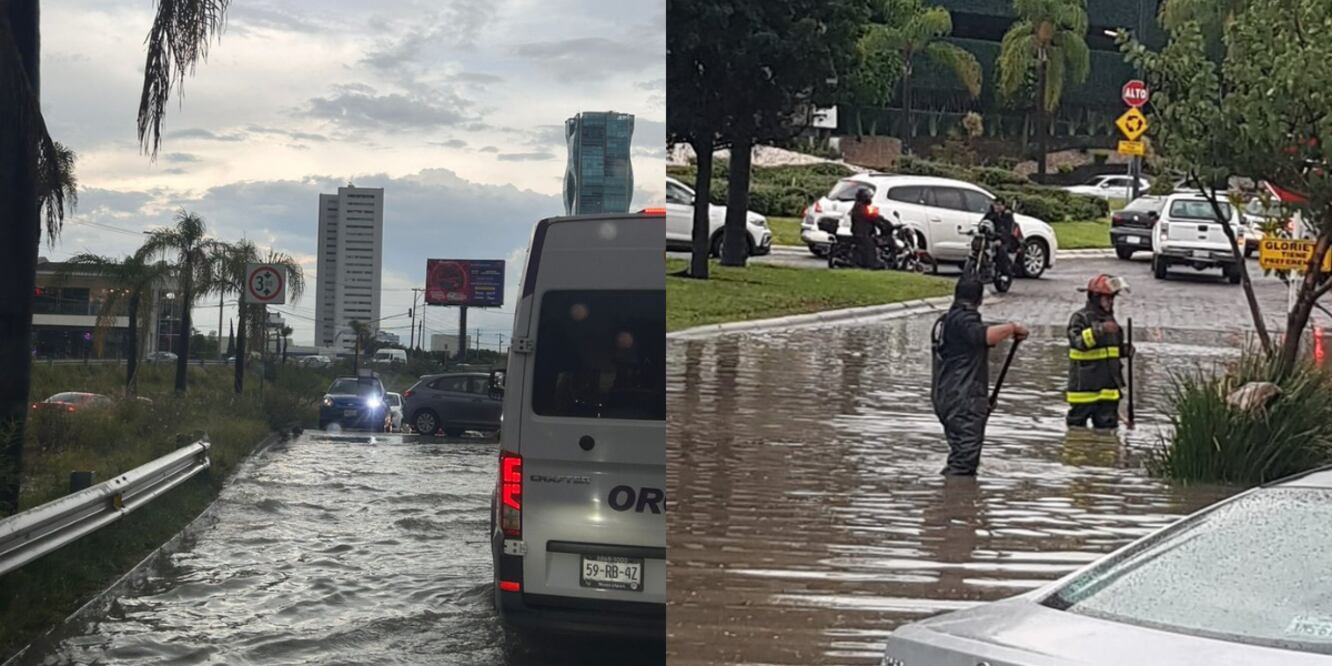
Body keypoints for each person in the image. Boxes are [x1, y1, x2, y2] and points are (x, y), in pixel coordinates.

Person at [931, 278, 1029, 476]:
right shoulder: (964, 320)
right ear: (980, 299)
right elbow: (984, 336)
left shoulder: (944, 321)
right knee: (964, 462)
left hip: (945, 395)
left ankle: (951, 491)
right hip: (963, 399)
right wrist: (1012, 328)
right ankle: (957, 493)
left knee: (960, 453)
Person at [1066, 274, 1132, 429]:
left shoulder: (1111, 321)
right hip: (1084, 390)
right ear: (1095, 298)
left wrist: (1124, 350)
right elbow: (1078, 343)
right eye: (1107, 298)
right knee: (1077, 430)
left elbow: (1111, 351)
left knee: (1108, 433)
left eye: (1112, 298)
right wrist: (1099, 330)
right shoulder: (1080, 318)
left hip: (1108, 391)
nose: (1111, 302)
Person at [980, 198, 1018, 279]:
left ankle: (1004, 272)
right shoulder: (990, 214)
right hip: (990, 237)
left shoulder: (1007, 216)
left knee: (1001, 250)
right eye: (995, 204)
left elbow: (1008, 231)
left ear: (1003, 206)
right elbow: (983, 223)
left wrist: (1001, 239)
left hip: (1004, 240)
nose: (997, 207)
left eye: (999, 205)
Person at [850, 188, 887, 269]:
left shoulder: (860, 206)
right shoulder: (860, 207)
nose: (870, 199)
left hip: (863, 231)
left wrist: (882, 219)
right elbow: (872, 217)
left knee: (872, 242)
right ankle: (871, 263)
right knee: (870, 246)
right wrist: (880, 222)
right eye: (868, 196)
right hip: (861, 232)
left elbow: (874, 216)